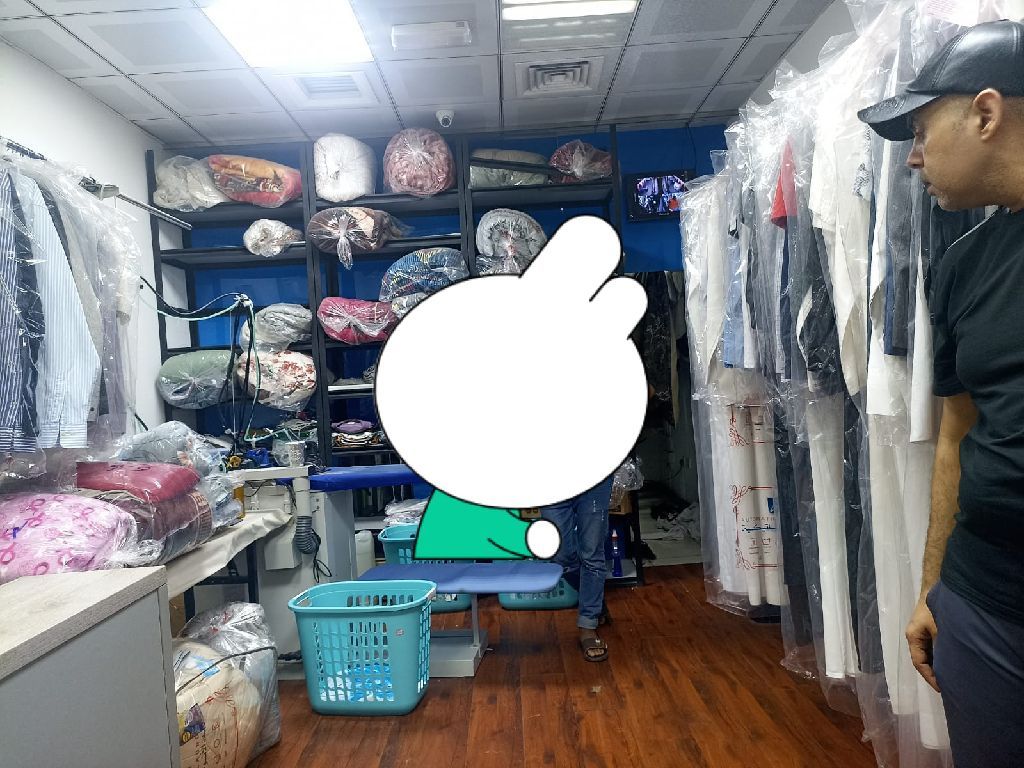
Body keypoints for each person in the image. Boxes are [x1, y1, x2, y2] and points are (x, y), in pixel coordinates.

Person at [859, 19, 1024, 768]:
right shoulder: (962, 264)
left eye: (922, 130)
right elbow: (958, 432)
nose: (913, 156)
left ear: (986, 114)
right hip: (983, 603)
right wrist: (935, 587)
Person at [542, 474, 615, 662]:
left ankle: (588, 624)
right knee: (560, 555)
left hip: (595, 478)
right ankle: (594, 600)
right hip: (552, 479)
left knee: (592, 554)